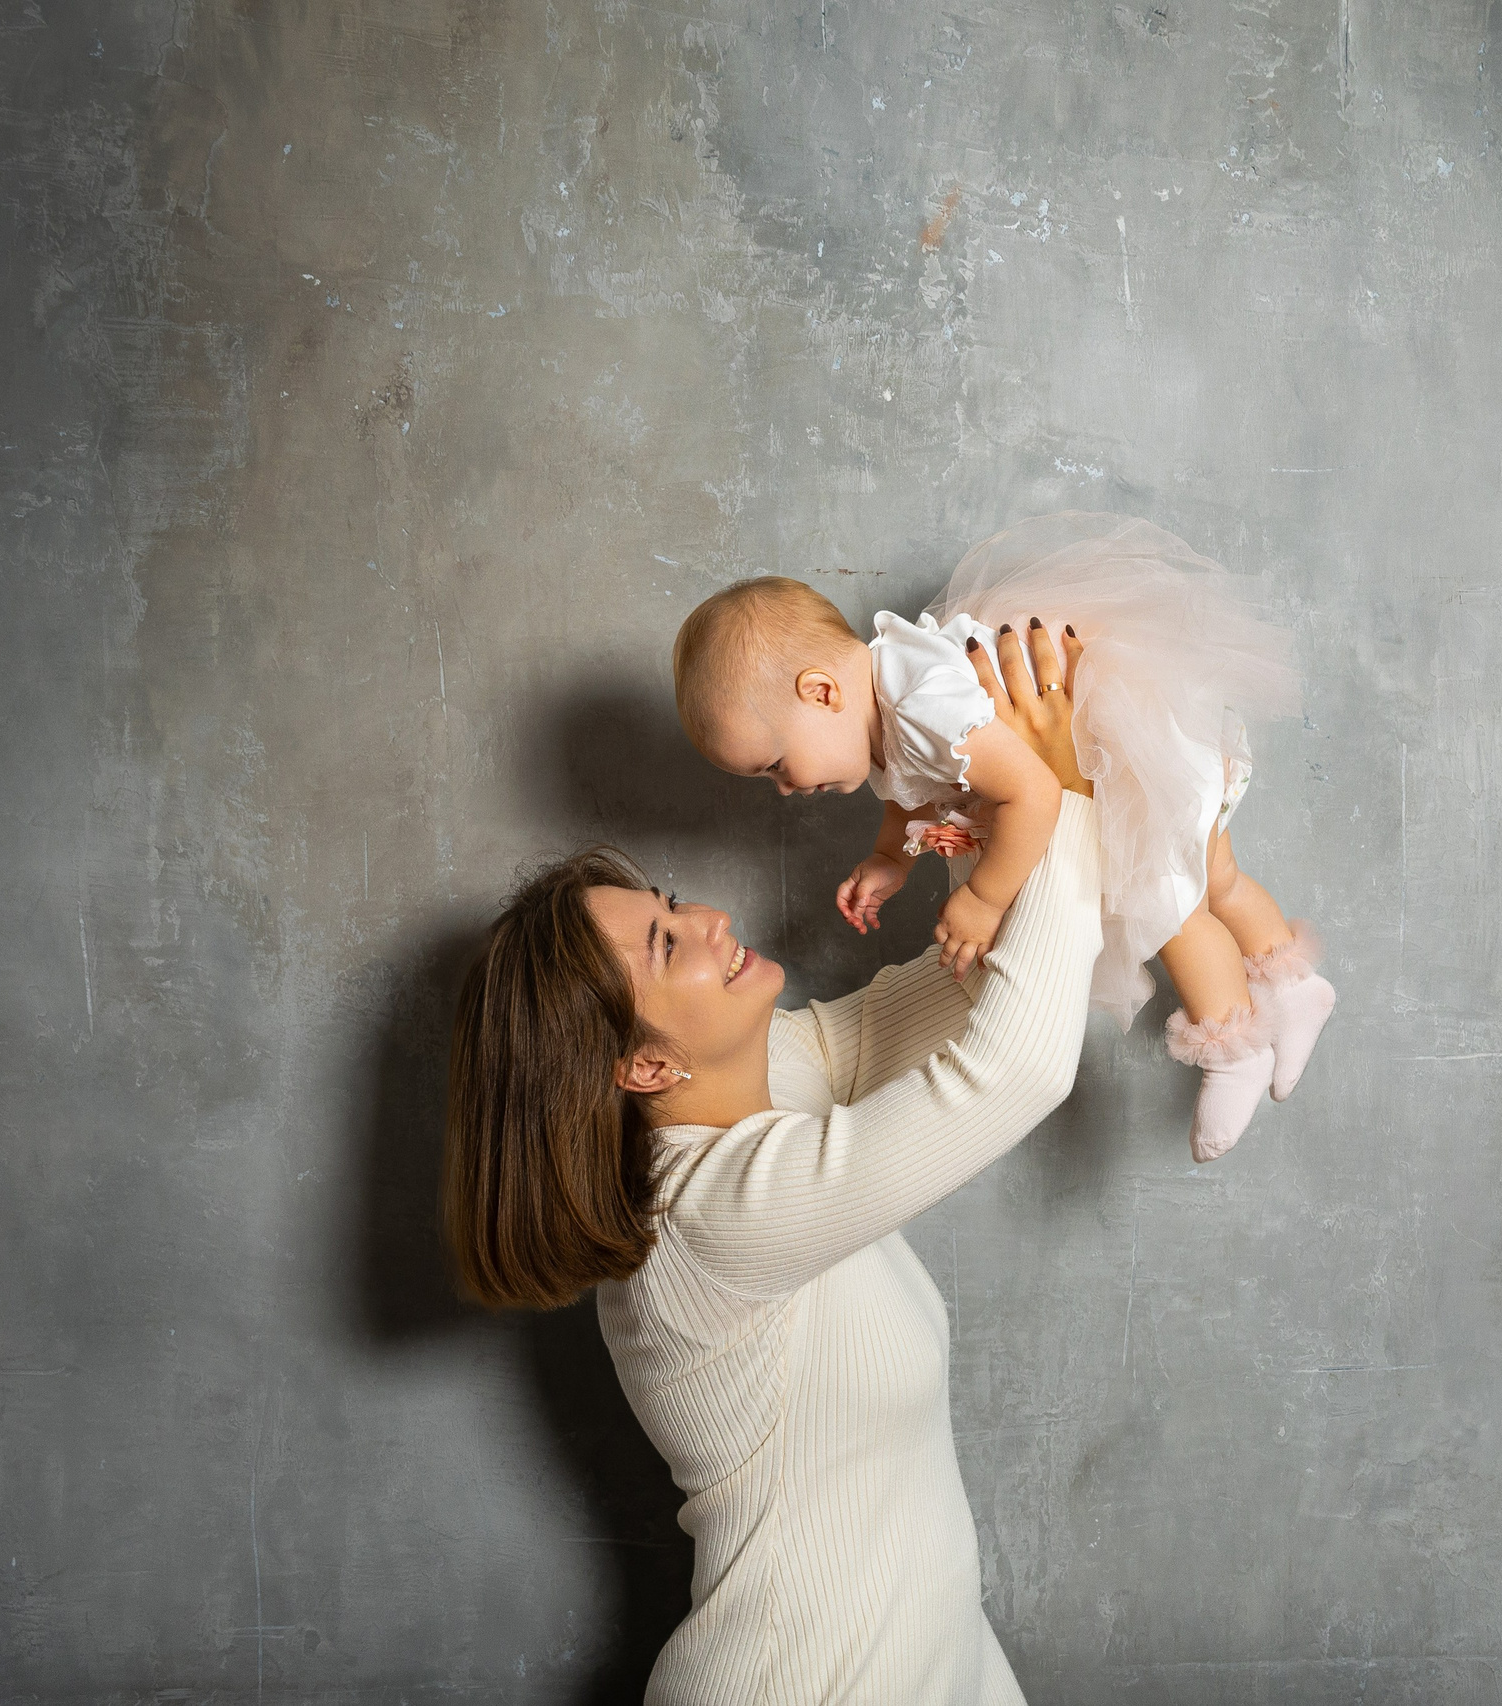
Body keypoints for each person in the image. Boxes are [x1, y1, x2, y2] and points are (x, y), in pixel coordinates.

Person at [442, 631, 1096, 1705]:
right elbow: (1014, 1071)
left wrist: (1011, 803)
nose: (705, 919)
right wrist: (1058, 794)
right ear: (645, 1062)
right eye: (663, 944)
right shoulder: (702, 1218)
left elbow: (963, 998)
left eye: (664, 903)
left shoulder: (776, 1079)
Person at [669, 512, 1337, 1161]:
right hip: (1130, 753)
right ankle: (1295, 983)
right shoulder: (877, 719)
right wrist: (887, 858)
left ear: (819, 694)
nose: (784, 789)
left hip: (1133, 749)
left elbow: (1033, 792)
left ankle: (1237, 1045)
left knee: (1171, 906)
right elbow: (909, 791)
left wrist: (985, 901)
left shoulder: (922, 703)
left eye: (775, 767)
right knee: (1217, 879)